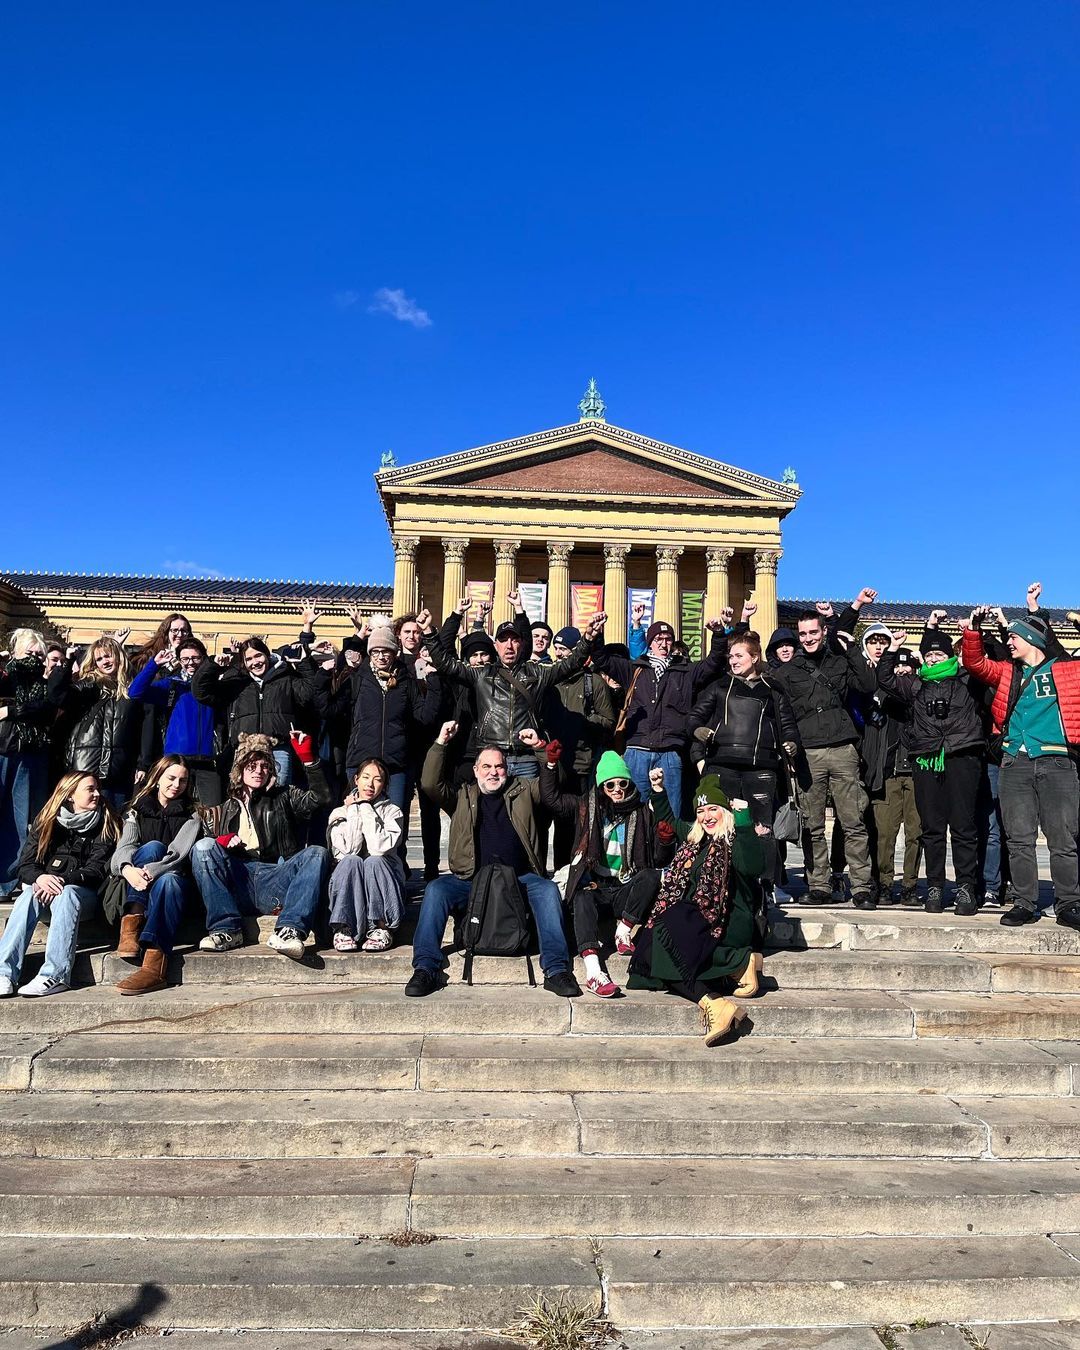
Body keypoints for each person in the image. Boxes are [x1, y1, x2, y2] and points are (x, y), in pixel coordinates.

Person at [405, 723, 581, 998]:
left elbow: (552, 786)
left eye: (498, 766)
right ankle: (426, 967)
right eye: (486, 767)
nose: (493, 772)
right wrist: (440, 742)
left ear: (506, 770)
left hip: (521, 877)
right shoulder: (461, 796)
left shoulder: (523, 790)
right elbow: (429, 783)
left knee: (547, 891)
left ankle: (556, 970)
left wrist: (539, 750)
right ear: (476, 771)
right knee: (436, 890)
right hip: (471, 879)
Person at [961, 609, 1080, 930]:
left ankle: (1069, 902)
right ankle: (1025, 903)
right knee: (1018, 838)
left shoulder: (1067, 669)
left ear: (1031, 639)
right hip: (1015, 761)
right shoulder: (1008, 672)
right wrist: (973, 630)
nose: (1008, 642)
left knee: (1063, 837)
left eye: (1013, 637)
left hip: (1058, 761)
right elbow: (975, 663)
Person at [628, 769, 766, 1046]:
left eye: (712, 808)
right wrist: (659, 790)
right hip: (696, 923)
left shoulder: (735, 839)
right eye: (701, 810)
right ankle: (733, 970)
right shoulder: (697, 840)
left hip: (729, 923)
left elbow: (754, 866)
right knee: (649, 954)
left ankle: (721, 988)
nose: (706, 816)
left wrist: (743, 820)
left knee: (661, 938)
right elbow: (669, 819)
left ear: (725, 810)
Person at [767, 594, 878, 906]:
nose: (808, 638)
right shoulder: (787, 672)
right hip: (809, 754)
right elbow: (770, 701)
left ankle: (861, 887)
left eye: (813, 632)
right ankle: (819, 886)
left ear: (823, 631)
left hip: (843, 749)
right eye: (802, 634)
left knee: (853, 822)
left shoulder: (840, 661)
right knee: (811, 825)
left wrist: (853, 648)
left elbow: (868, 686)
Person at [420, 597, 604, 780]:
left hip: (527, 758)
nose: (509, 645)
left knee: (526, 809)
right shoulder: (481, 674)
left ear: (521, 645)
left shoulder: (538, 673)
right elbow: (446, 664)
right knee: (492, 809)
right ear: (496, 646)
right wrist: (428, 633)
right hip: (492, 755)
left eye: (514, 640)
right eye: (503, 640)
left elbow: (570, 664)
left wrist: (587, 639)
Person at [190, 730, 331, 959]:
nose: (259, 772)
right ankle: (226, 929)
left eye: (265, 766)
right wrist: (220, 841)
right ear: (239, 769)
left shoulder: (284, 796)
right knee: (203, 847)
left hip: (274, 875)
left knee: (317, 853)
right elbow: (202, 855)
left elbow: (321, 799)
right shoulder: (223, 808)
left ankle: (289, 930)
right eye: (252, 766)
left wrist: (308, 759)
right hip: (239, 879)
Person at [687, 632, 799, 907]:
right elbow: (693, 718)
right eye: (731, 656)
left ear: (754, 657)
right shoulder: (719, 686)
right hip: (722, 765)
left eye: (739, 655)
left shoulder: (773, 689)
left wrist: (791, 743)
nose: (733, 660)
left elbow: (788, 724)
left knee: (762, 828)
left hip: (761, 767)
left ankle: (768, 884)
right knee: (721, 826)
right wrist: (699, 732)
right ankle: (717, 877)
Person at [877, 630, 985, 914]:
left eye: (939, 654)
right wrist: (893, 649)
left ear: (950, 656)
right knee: (932, 828)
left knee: (963, 827)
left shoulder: (966, 680)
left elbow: (983, 665)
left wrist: (975, 635)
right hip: (926, 759)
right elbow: (885, 679)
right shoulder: (916, 685)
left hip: (962, 756)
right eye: (928, 655)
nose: (934, 659)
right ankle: (935, 886)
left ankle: (965, 887)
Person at [542, 746, 664, 997]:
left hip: (624, 888)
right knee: (582, 895)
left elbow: (659, 858)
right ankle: (594, 970)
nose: (617, 790)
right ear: (601, 787)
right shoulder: (585, 807)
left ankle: (623, 931)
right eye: (610, 785)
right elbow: (551, 799)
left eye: (622, 784)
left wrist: (665, 839)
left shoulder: (642, 812)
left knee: (651, 876)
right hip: (596, 887)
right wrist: (551, 765)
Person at [591, 614, 729, 817]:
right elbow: (601, 658)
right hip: (637, 749)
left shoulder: (685, 670)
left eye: (668, 639)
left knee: (669, 813)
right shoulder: (634, 669)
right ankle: (637, 848)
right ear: (650, 643)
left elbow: (713, 663)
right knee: (634, 811)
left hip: (670, 752)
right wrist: (596, 634)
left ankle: (666, 849)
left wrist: (718, 634)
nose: (663, 644)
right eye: (658, 639)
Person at [0, 771, 120, 997]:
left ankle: (54, 975)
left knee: (67, 894)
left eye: (97, 789)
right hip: (47, 893)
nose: (97, 794)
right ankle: (4, 972)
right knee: (27, 896)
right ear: (70, 795)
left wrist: (62, 881)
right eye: (90, 789)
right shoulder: (47, 820)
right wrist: (41, 878)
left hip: (85, 898)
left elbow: (96, 870)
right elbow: (25, 865)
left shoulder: (107, 823)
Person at [109, 755, 207, 993]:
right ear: (157, 777)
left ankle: (154, 965)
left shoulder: (193, 813)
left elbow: (179, 854)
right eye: (171, 778)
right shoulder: (135, 810)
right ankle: (132, 922)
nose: (176, 785)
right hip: (137, 885)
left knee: (169, 880)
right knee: (151, 847)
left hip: (176, 885)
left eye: (183, 781)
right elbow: (124, 848)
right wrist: (127, 870)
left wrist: (150, 871)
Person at [191, 635, 325, 786]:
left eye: (258, 655)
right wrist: (212, 666)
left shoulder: (286, 678)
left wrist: (304, 662)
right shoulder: (237, 682)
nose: (255, 662)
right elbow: (201, 692)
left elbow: (311, 693)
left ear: (267, 655)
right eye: (249, 659)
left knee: (279, 794)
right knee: (244, 793)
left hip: (278, 748)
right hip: (246, 748)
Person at [543, 625, 616, 869]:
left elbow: (608, 722)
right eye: (557, 649)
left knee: (576, 825)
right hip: (552, 764)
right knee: (544, 822)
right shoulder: (549, 681)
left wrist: (584, 719)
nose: (559, 654)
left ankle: (572, 873)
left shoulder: (593, 683)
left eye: (564, 649)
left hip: (581, 766)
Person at [0, 629, 65, 896]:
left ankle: (9, 879)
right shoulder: (7, 677)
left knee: (21, 817)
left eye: (39, 654)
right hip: (3, 748)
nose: (35, 658)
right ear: (15, 652)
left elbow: (48, 708)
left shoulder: (45, 681)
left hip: (30, 753)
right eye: (29, 653)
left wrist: (11, 710)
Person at [859, 636, 922, 907]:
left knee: (915, 833)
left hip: (917, 774)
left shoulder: (921, 693)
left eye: (908, 668)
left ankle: (909, 886)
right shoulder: (880, 697)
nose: (902, 672)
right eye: (898, 667)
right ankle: (884, 884)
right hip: (888, 772)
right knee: (884, 834)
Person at [126, 636, 223, 805]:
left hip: (208, 762)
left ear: (204, 658)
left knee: (212, 811)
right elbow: (135, 692)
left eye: (195, 658)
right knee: (174, 810)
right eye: (185, 659)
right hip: (177, 760)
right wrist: (154, 664)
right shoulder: (172, 685)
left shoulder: (214, 685)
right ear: (179, 660)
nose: (190, 662)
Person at [327, 757, 406, 951]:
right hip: (349, 881)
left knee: (374, 861)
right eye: (366, 777)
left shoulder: (393, 812)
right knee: (351, 860)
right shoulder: (339, 813)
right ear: (356, 780)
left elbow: (379, 847)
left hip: (383, 881)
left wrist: (364, 807)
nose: (370, 784)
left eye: (378, 779)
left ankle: (382, 927)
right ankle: (344, 928)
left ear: (385, 785)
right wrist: (353, 810)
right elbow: (349, 850)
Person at [61, 636, 141, 806]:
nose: (104, 662)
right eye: (99, 659)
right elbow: (60, 696)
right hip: (88, 763)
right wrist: (67, 664)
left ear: (118, 656)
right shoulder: (89, 684)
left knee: (116, 819)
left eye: (108, 656)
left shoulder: (132, 687)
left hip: (120, 768)